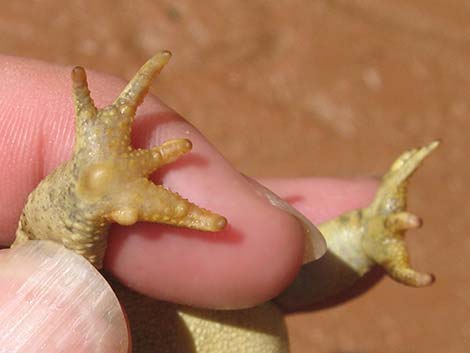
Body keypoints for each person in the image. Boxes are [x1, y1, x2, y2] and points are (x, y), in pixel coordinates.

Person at [0, 55, 375, 352]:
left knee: (290, 259)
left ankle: (371, 233)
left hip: (227, 306)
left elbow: (48, 260)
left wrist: (89, 188)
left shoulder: (40, 303)